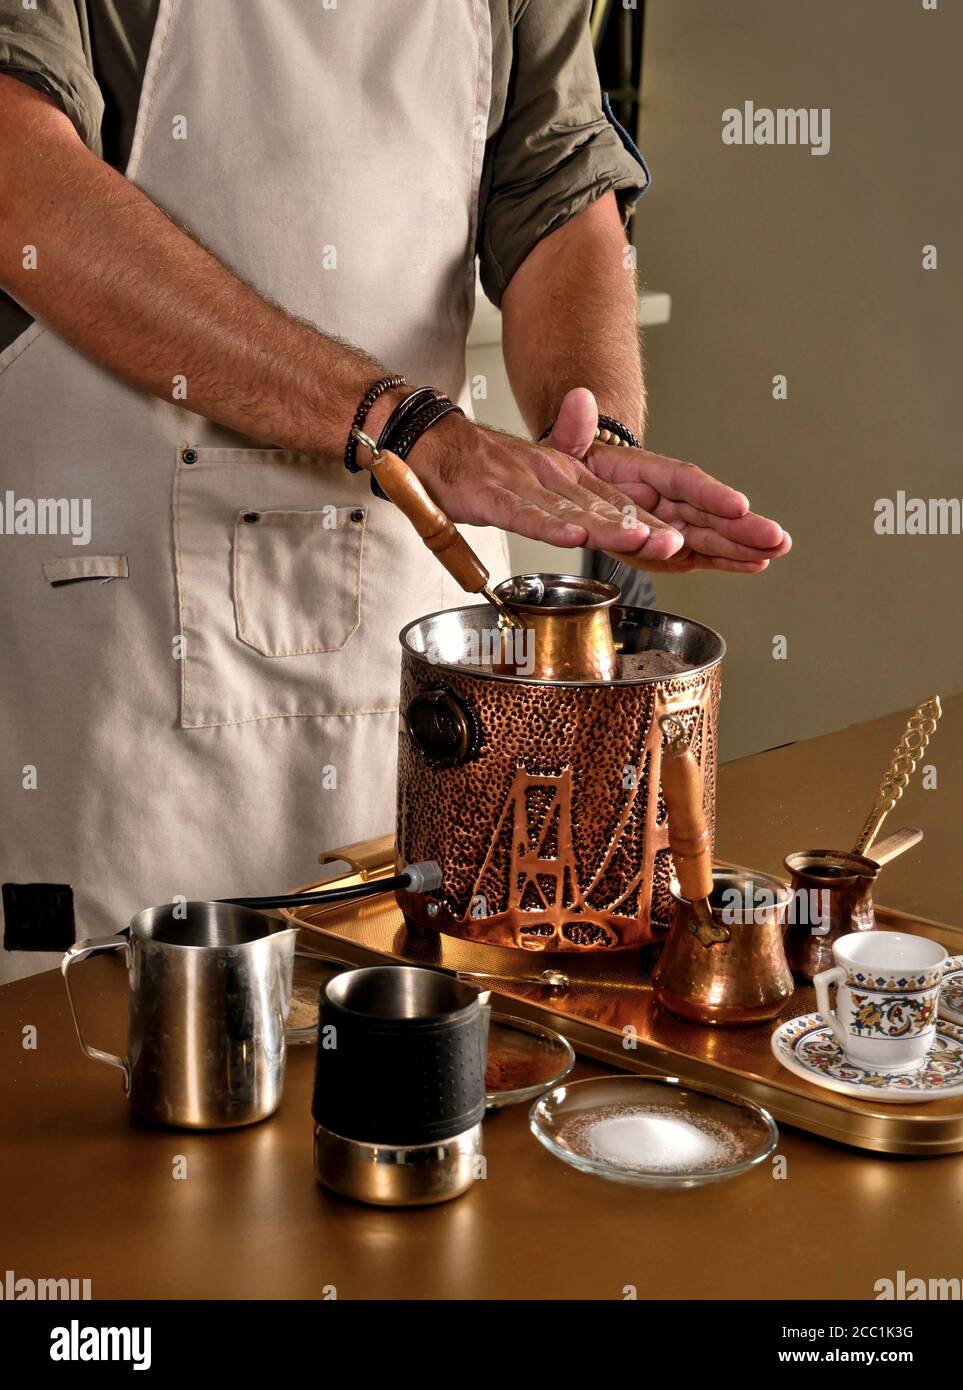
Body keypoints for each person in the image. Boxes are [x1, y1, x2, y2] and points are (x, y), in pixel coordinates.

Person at [0, 1, 789, 982]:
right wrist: (401, 424)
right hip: (119, 652)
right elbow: (20, 183)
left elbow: (554, 183)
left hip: (412, 629)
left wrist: (594, 439)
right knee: (103, 1073)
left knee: (420, 1067)